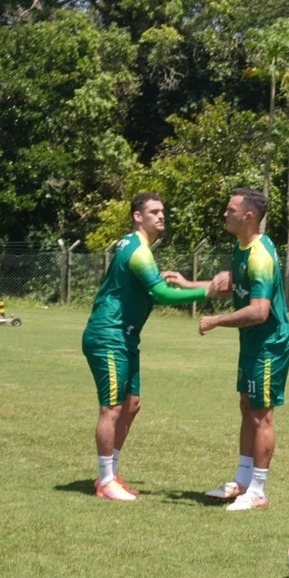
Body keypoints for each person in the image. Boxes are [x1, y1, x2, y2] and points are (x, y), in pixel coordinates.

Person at [83, 192, 224, 501]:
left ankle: (111, 474)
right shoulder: (138, 250)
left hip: (125, 337)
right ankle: (105, 482)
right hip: (109, 335)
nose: (161, 216)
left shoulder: (135, 247)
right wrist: (207, 292)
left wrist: (197, 285)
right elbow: (162, 295)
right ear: (137, 216)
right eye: (154, 211)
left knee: (131, 404)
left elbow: (146, 288)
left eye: (163, 211)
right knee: (111, 407)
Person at [165, 188, 289, 512]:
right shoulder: (242, 247)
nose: (225, 213)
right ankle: (242, 481)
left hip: (269, 346)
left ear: (248, 216)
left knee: (261, 416)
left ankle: (258, 491)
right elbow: (231, 285)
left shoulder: (260, 256)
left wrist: (216, 320)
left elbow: (259, 311)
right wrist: (189, 283)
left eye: (230, 209)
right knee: (247, 407)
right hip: (252, 344)